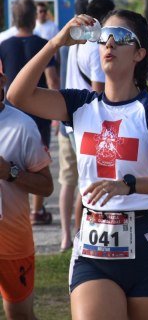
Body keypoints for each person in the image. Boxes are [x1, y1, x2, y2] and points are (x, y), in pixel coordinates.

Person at [7, 9, 148, 319]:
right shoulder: (80, 104)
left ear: (139, 53)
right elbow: (17, 95)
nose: (108, 45)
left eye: (119, 38)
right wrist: (55, 43)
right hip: (93, 248)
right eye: (103, 38)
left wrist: (129, 185)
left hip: (145, 244)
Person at [60, 0, 114, 251]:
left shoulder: (76, 43)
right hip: (86, 124)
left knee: (70, 181)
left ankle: (68, 236)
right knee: (89, 182)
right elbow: (98, 95)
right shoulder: (95, 46)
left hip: (67, 120)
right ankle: (84, 234)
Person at [0, 66, 54, 320]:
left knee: (20, 315)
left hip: (13, 241)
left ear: (2, 80)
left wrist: (10, 172)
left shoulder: (22, 126)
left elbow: (46, 186)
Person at [0, 0, 59, 225]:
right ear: (34, 19)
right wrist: (56, 118)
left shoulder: (4, 46)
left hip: (11, 113)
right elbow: (52, 79)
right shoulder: (44, 45)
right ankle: (36, 209)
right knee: (38, 163)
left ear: (14, 19)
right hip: (39, 111)